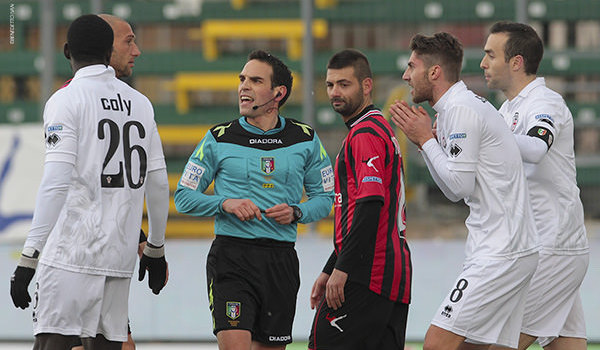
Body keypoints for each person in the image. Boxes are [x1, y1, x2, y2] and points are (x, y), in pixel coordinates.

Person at [9, 14, 169, 350]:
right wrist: (155, 248)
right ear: (108, 50)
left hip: (72, 252)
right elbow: (157, 183)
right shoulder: (140, 104)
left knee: (53, 343)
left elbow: (56, 183)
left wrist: (29, 258)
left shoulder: (67, 99)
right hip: (118, 256)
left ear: (67, 51)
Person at [173, 49, 334, 350]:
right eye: (242, 79)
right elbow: (183, 197)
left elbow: (325, 198)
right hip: (231, 258)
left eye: (255, 80)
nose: (243, 86)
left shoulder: (306, 139)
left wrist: (297, 212)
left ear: (278, 93)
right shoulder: (218, 138)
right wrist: (225, 203)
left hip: (280, 260)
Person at [389, 32, 539, 350]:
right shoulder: (455, 109)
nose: (405, 75)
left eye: (412, 66)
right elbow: (453, 186)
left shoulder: (460, 111)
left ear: (434, 72)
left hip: (501, 252)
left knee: (438, 342)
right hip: (507, 247)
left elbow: (458, 187)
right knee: (474, 347)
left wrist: (426, 141)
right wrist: (425, 142)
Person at [480, 22, 589, 350]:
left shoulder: (545, 102)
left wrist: (484, 138)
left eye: (490, 55)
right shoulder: (506, 109)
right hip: (542, 247)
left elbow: (537, 147)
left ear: (516, 63)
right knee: (566, 343)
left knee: (498, 343)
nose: (483, 63)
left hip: (553, 248)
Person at [307, 49, 412, 350]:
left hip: (368, 274)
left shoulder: (365, 133)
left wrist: (342, 269)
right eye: (330, 85)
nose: (335, 93)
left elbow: (370, 206)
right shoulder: (379, 129)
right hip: (392, 272)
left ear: (366, 86)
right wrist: (330, 267)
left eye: (344, 84)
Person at [68, 13, 144, 350]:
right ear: (103, 46)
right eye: (128, 40)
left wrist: (141, 236)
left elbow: (110, 180)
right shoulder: (76, 98)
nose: (136, 50)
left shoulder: (127, 101)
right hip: (77, 253)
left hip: (108, 249)